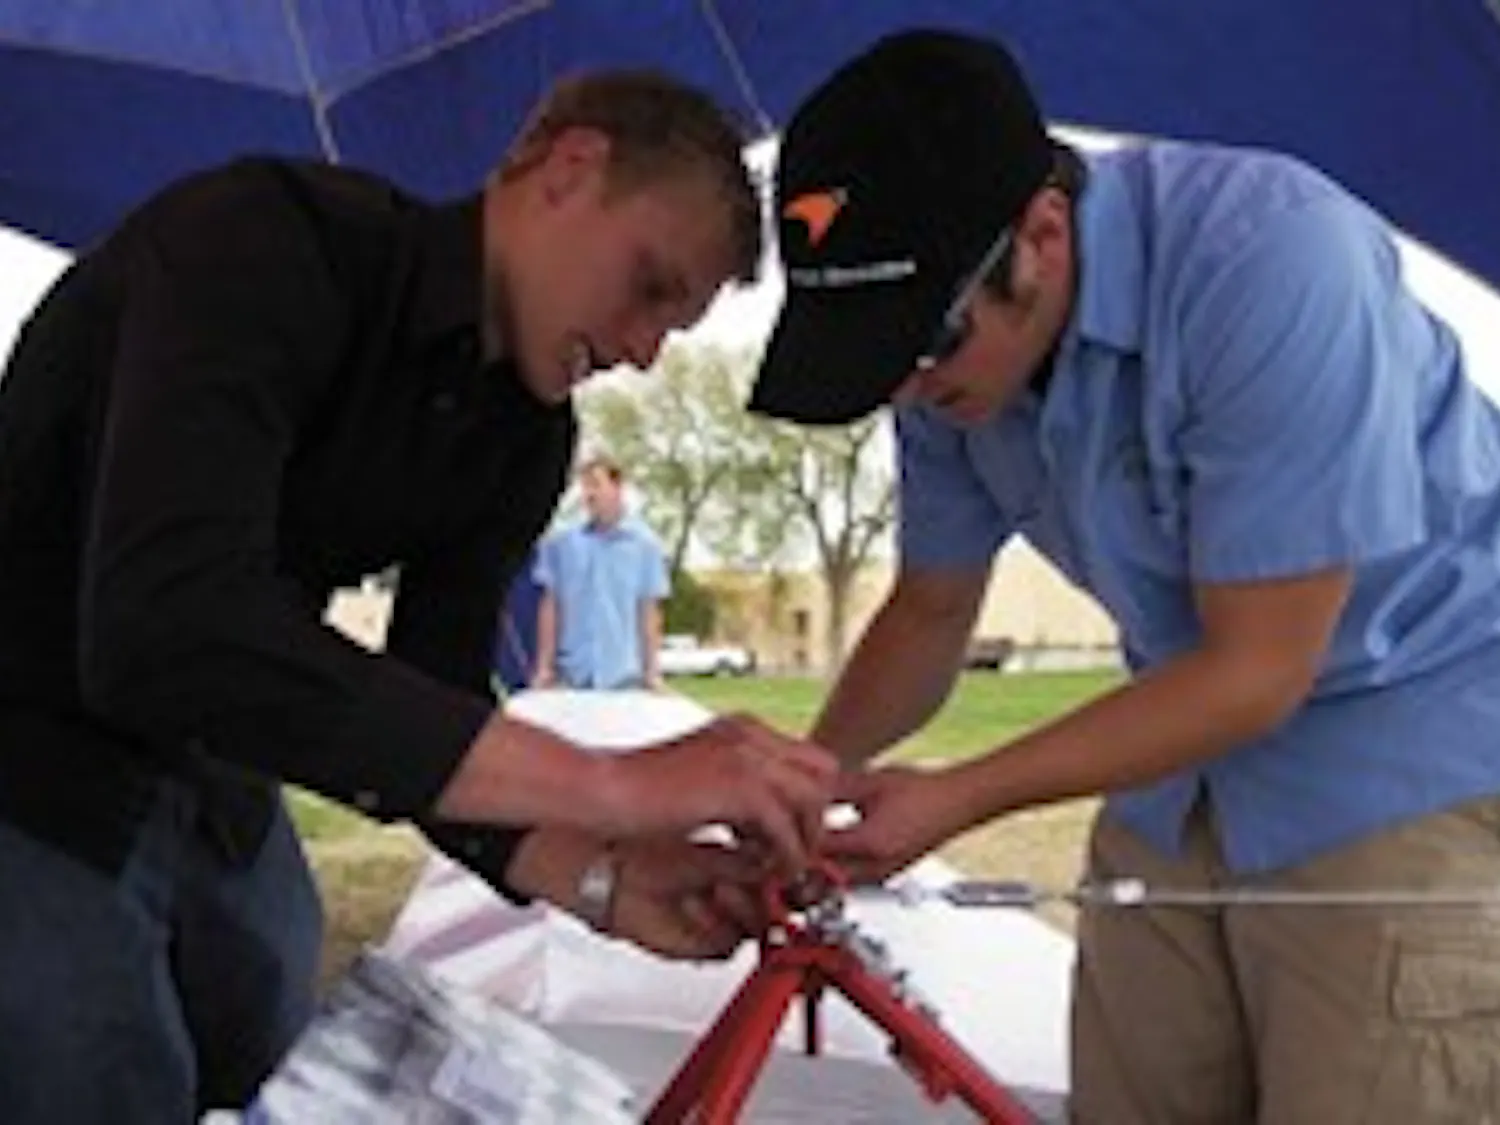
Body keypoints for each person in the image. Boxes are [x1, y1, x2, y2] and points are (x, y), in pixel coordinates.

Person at [0, 70, 836, 1123]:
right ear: (569, 170)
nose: (640, 350)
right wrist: (612, 785)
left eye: (673, 326)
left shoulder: (526, 435)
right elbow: (167, 623)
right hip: (28, 764)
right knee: (103, 1076)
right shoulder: (260, 241)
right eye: (651, 287)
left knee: (276, 1054)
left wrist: (598, 881)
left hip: (219, 781)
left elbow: (427, 699)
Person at [749, 28, 1500, 1124]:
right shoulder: (948, 371)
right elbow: (932, 608)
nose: (908, 387)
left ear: (1042, 234)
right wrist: (800, 792)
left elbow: (1260, 670)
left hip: (1409, 761)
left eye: (924, 343)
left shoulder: (1277, 260)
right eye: (877, 358)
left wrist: (956, 797)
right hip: (1176, 779)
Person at [530, 454, 672, 690]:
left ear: (617, 487)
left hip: (624, 678)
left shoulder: (645, 546)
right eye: (584, 486)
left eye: (596, 484)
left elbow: (648, 610)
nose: (588, 494)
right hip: (573, 676)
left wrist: (652, 671)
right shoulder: (561, 544)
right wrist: (544, 667)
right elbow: (551, 606)